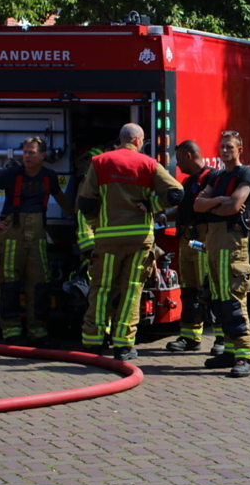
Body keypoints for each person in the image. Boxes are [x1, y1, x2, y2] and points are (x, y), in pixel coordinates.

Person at [77, 123, 183, 360]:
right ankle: (124, 346)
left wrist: (97, 222)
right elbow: (176, 193)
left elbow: (86, 203)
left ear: (121, 139)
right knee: (131, 291)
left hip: (107, 239)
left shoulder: (99, 162)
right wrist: (151, 207)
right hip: (139, 240)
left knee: (102, 289)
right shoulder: (149, 164)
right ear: (138, 141)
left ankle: (93, 342)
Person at [0, 136, 74, 347]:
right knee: (9, 283)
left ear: (42, 155)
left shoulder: (49, 176)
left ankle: (37, 333)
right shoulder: (12, 173)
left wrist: (79, 219)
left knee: (40, 284)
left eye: (31, 152)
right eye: (25, 152)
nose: (26, 156)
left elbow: (63, 200)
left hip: (38, 235)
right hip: (11, 235)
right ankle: (11, 333)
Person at [193, 131, 250, 378]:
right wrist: (221, 199)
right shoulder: (218, 176)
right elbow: (197, 205)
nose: (224, 150)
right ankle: (230, 352)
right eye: (221, 146)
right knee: (218, 301)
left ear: (239, 149)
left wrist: (218, 203)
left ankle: (245, 355)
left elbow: (234, 207)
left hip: (232, 244)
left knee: (233, 301)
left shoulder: (246, 175)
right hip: (214, 242)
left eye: (229, 146)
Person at [164, 141, 220, 354]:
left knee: (209, 289)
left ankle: (220, 339)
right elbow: (182, 210)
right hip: (187, 240)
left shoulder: (212, 178)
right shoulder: (188, 182)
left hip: (202, 239)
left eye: (179, 159)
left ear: (189, 155)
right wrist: (162, 216)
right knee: (188, 290)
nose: (177, 165)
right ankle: (189, 337)